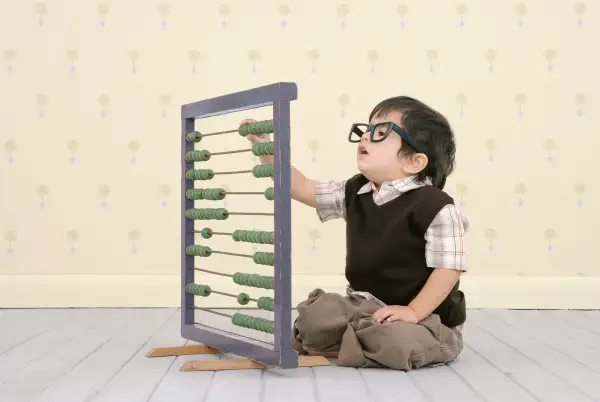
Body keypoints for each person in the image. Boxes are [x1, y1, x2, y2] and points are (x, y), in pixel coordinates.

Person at [240, 95, 469, 370]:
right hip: (365, 306)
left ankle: (373, 343)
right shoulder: (356, 191)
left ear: (413, 162)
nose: (365, 138)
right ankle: (359, 341)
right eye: (367, 130)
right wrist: (267, 150)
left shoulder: (437, 208)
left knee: (397, 341)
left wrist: (412, 311)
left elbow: (448, 270)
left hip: (426, 318)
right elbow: (300, 187)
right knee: (314, 317)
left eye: (381, 133)